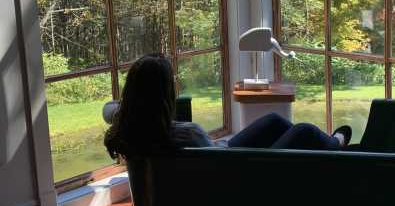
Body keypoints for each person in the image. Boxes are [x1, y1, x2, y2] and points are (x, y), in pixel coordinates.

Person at [104, 54, 352, 159]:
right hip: (237, 175)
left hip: (223, 157)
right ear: (165, 93)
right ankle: (335, 146)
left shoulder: (129, 127)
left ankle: (325, 146)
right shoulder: (187, 132)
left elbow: (110, 110)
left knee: (274, 121)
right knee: (305, 131)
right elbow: (218, 167)